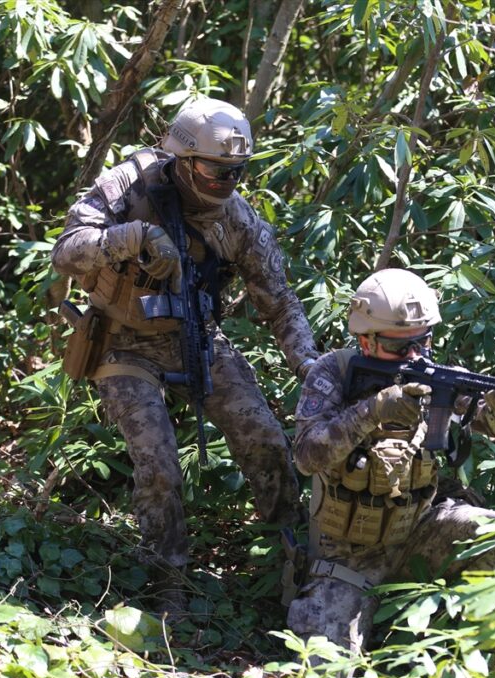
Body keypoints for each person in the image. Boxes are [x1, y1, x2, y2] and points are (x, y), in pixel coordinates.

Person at [51, 98, 318, 610]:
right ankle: (166, 581)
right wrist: (133, 237)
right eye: (215, 171)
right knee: (158, 462)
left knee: (264, 437)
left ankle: (290, 555)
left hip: (195, 335)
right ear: (183, 160)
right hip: (122, 339)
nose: (226, 182)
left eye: (236, 171)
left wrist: (308, 364)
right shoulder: (129, 186)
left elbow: (280, 302)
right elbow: (66, 252)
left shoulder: (237, 221)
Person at [284, 268, 495, 654]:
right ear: (365, 339)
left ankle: (471, 644)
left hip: (419, 532)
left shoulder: (435, 376)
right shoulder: (335, 372)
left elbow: (493, 424)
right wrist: (373, 410)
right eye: (399, 347)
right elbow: (306, 456)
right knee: (325, 662)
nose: (414, 355)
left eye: (422, 342)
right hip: (348, 555)